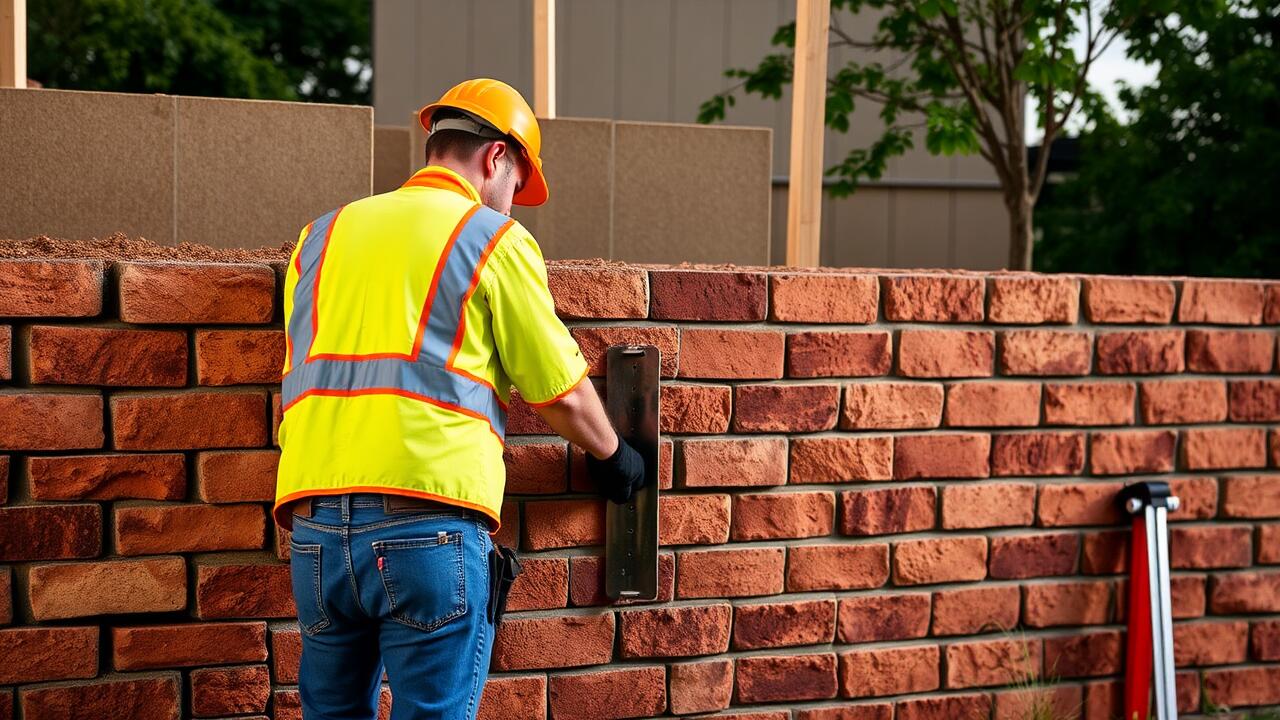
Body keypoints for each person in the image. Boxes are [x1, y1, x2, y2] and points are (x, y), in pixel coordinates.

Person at [272, 78, 648, 720]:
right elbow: (557, 387)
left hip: (316, 531)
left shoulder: (322, 237)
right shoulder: (491, 240)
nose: (513, 208)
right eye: (517, 188)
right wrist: (615, 455)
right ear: (496, 157)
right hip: (428, 522)